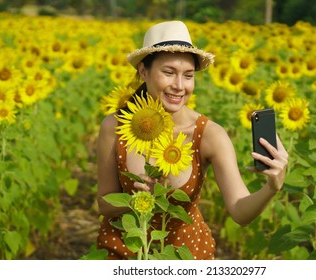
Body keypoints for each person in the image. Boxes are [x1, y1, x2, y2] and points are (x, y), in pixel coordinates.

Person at [96, 21, 288, 260]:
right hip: (124, 252)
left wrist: (272, 187)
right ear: (144, 72)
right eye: (168, 73)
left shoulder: (208, 135)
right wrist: (141, 200)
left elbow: (240, 211)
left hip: (184, 257)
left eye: (188, 76)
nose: (179, 86)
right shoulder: (115, 127)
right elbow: (104, 204)